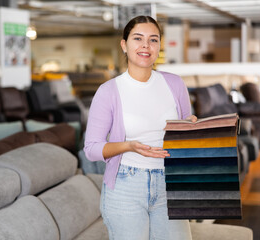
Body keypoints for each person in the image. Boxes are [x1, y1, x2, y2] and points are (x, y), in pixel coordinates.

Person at [84, 15, 197, 240]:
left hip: (169, 183)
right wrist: (129, 146)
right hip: (126, 186)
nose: (146, 45)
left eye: (153, 40)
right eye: (138, 38)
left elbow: (186, 136)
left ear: (159, 47)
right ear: (124, 45)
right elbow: (91, 149)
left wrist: (192, 128)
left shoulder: (175, 84)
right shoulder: (108, 91)